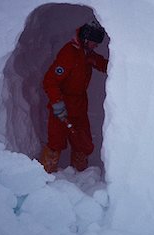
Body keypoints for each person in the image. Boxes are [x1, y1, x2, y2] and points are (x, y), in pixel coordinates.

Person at [39, 21, 108, 173]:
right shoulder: (69, 53)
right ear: (84, 39)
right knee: (56, 142)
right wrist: (57, 104)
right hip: (62, 106)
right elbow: (50, 80)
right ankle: (44, 176)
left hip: (79, 106)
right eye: (93, 43)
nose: (95, 46)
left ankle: (80, 178)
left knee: (82, 143)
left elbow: (103, 64)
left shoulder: (87, 54)